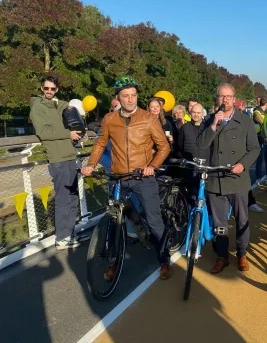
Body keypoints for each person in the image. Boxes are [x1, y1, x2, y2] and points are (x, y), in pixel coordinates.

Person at [82, 76, 173, 280]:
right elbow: (99, 144)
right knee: (115, 221)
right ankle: (114, 262)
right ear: (118, 98)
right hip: (118, 177)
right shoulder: (109, 119)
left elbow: (164, 146)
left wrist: (152, 166)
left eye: (133, 95)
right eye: (126, 96)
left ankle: (164, 259)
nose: (130, 99)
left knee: (154, 219)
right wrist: (90, 164)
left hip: (143, 177)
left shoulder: (148, 118)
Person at [197, 83, 260, 274]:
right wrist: (214, 125)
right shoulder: (209, 119)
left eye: (229, 96)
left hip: (237, 178)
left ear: (234, 99)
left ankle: (242, 254)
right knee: (219, 223)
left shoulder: (246, 121)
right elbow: (201, 145)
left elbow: (254, 149)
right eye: (222, 96)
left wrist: (242, 165)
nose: (225, 100)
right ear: (217, 99)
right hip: (216, 179)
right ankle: (222, 256)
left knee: (242, 220)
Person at [29, 74, 89, 250]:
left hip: (69, 156)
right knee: (63, 199)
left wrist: (75, 110)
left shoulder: (58, 104)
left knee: (72, 199)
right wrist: (67, 134)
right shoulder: (38, 108)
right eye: (46, 88)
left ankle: (70, 233)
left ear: (57, 89)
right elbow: (44, 132)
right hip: (58, 159)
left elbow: (72, 108)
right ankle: (62, 238)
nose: (49, 91)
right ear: (41, 88)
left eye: (52, 89)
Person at [252, 97, 267, 184]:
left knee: (265, 158)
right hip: (258, 137)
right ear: (266, 104)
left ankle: (265, 176)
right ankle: (258, 177)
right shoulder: (257, 112)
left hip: (263, 137)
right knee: (259, 158)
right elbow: (263, 122)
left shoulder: (265, 112)